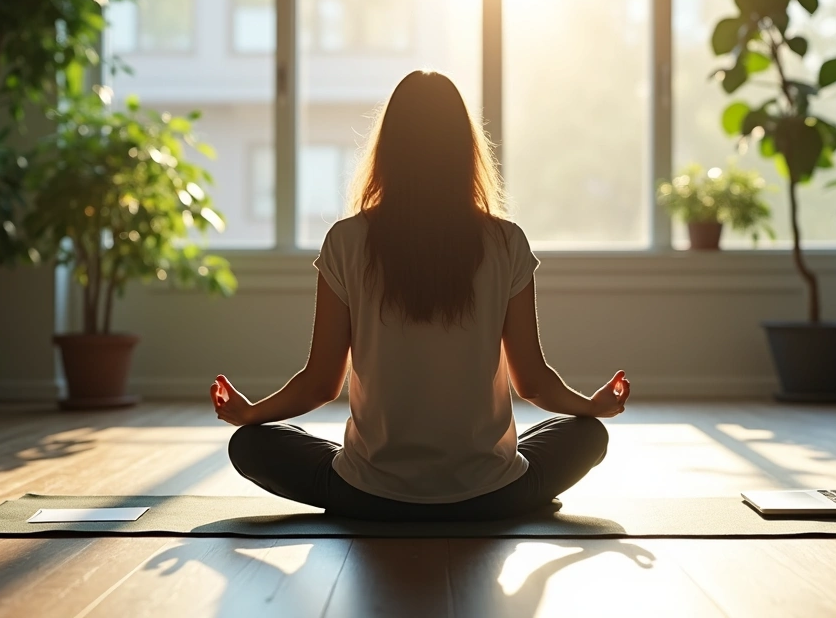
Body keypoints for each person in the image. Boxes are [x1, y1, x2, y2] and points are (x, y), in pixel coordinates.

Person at [211, 70, 630, 522]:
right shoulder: (506, 242)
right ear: (465, 151)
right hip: (490, 495)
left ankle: (376, 477)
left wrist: (251, 413)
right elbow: (531, 381)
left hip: (369, 496)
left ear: (388, 150)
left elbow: (320, 384)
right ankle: (508, 488)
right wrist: (592, 407)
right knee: (588, 435)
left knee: (250, 444)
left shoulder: (346, 241)